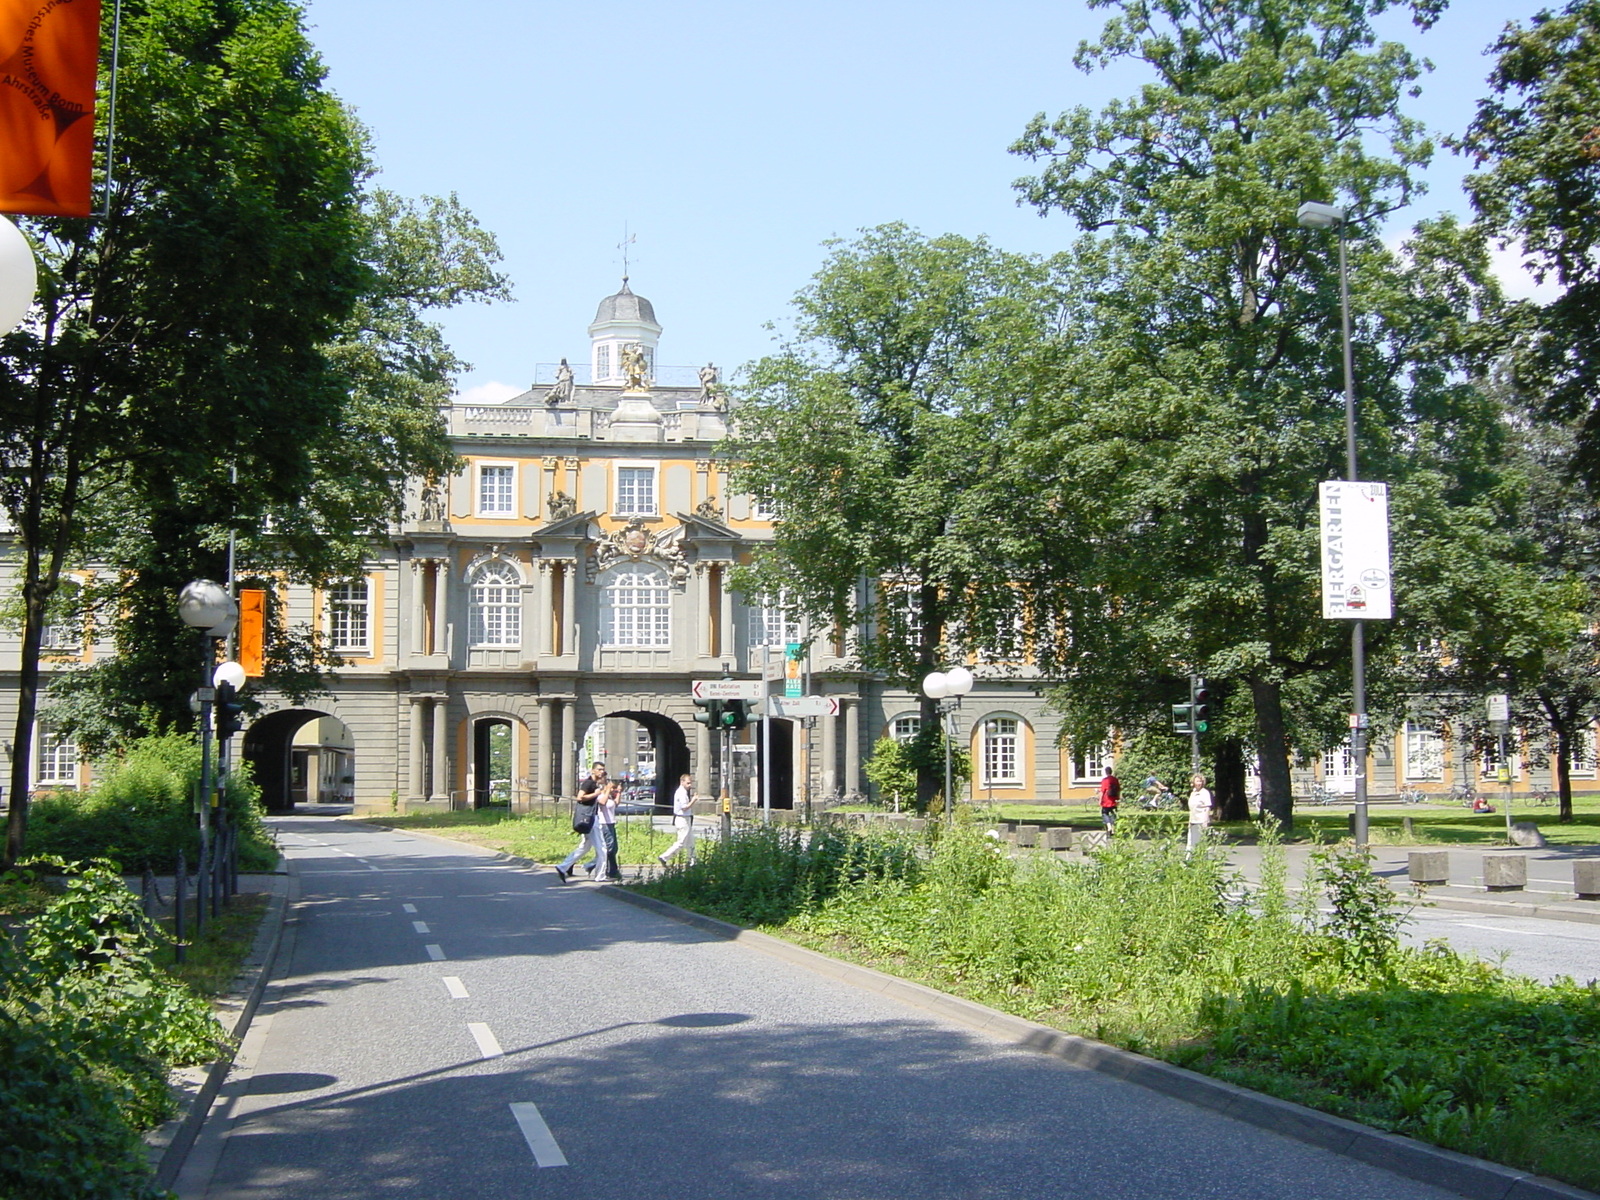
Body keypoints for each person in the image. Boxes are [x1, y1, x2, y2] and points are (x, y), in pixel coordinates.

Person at [555, 762, 608, 882]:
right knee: (602, 848)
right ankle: (600, 876)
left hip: (589, 819)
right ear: (593, 771)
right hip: (591, 819)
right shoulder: (588, 783)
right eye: (599, 769)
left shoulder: (594, 783)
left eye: (603, 770)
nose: (601, 772)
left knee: (585, 847)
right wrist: (596, 793)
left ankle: (563, 867)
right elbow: (580, 797)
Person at [659, 772, 696, 867]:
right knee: (682, 842)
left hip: (685, 819)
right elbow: (684, 807)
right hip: (682, 819)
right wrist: (694, 800)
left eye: (690, 783)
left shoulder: (682, 792)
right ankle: (664, 857)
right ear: (682, 782)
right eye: (688, 783)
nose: (690, 785)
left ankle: (692, 861)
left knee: (690, 841)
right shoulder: (681, 793)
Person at [592, 780, 622, 881]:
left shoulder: (609, 797)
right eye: (612, 788)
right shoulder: (601, 796)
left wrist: (618, 793)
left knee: (614, 848)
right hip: (604, 824)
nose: (613, 790)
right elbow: (602, 803)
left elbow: (616, 804)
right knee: (610, 848)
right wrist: (608, 790)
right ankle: (612, 871)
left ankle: (591, 865)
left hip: (611, 823)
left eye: (614, 788)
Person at [1187, 773, 1213, 851]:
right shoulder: (1193, 793)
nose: (1199, 783)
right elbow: (1192, 808)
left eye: (1200, 781)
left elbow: (1208, 807)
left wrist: (1205, 821)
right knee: (1191, 841)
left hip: (1201, 820)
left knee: (1201, 840)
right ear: (1193, 782)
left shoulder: (1205, 793)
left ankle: (1203, 859)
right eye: (1197, 781)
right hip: (1193, 820)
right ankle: (1190, 859)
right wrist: (1189, 821)